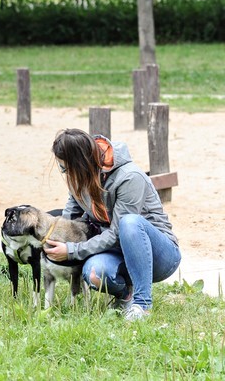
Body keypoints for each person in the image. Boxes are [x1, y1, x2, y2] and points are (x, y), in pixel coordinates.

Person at [44, 128, 181, 321]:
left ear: (80, 164)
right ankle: (126, 296)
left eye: (66, 168)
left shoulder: (129, 177)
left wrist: (72, 251)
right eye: (63, 169)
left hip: (159, 256)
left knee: (129, 223)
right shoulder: (79, 178)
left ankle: (142, 305)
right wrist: (50, 242)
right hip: (117, 252)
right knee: (93, 272)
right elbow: (69, 221)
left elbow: (117, 232)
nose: (65, 174)